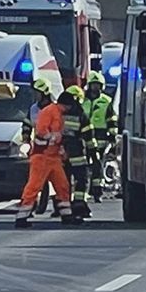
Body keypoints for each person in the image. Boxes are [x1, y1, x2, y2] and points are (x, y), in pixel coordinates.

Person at [16, 88, 74, 227]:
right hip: (42, 156)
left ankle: (66, 216)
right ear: (66, 105)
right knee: (34, 186)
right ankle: (21, 217)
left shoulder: (58, 113)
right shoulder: (50, 112)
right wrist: (53, 139)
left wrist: (59, 148)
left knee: (63, 186)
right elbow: (42, 131)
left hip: (53, 157)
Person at [82, 72, 117, 202]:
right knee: (84, 165)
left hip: (100, 137)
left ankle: (96, 191)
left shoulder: (106, 101)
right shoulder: (82, 100)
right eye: (93, 85)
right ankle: (83, 191)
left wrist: (112, 136)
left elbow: (111, 119)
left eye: (98, 85)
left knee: (97, 165)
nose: (95, 88)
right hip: (84, 136)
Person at [62, 84, 92, 219]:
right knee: (81, 178)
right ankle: (79, 205)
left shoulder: (57, 113)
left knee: (64, 181)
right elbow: (88, 136)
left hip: (61, 153)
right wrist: (93, 151)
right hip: (77, 153)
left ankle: (64, 206)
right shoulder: (81, 114)